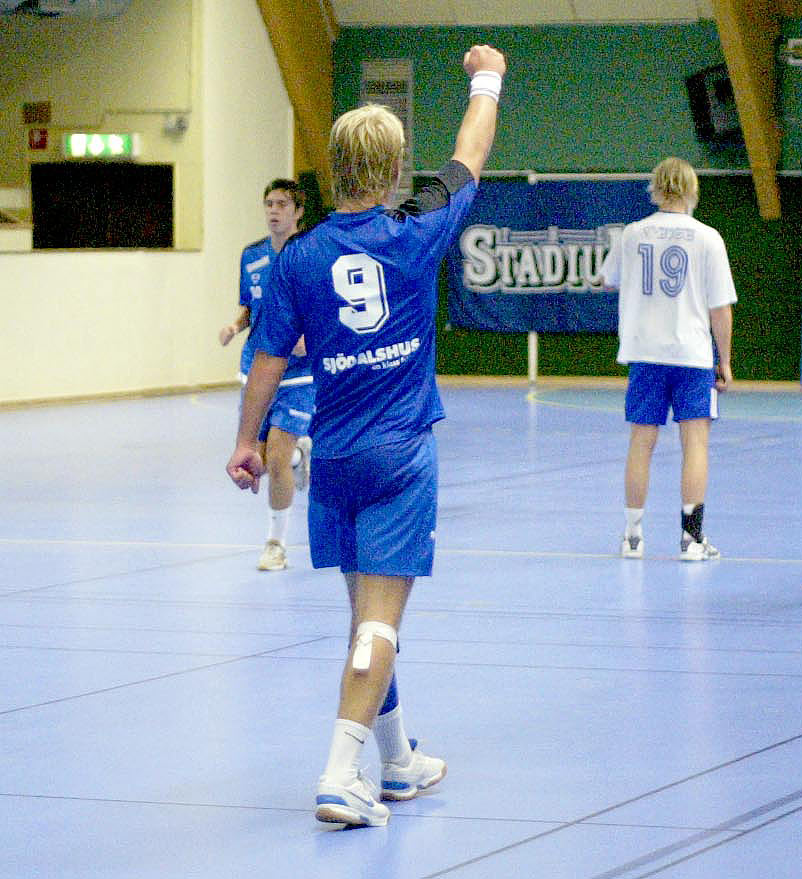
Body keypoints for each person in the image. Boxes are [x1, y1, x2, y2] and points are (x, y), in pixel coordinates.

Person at [226, 44, 506, 827]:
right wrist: (488, 77)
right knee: (379, 624)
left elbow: (268, 362)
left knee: (361, 619)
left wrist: (246, 443)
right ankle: (339, 772)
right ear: (388, 174)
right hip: (400, 455)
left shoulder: (298, 257)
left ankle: (398, 759)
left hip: (333, 455)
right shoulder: (415, 229)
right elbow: (471, 151)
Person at [600, 158, 735, 561]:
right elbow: (720, 308)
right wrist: (724, 360)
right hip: (692, 355)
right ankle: (692, 540)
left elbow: (606, 280)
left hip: (645, 353)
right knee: (695, 442)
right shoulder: (708, 238)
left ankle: (632, 537)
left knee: (642, 442)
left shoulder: (632, 234)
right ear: (692, 190)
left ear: (655, 190)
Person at [219, 179, 314, 571]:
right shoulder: (251, 256)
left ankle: (275, 544)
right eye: (269, 204)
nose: (274, 211)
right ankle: (296, 457)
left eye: (282, 204)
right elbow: (249, 306)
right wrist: (234, 327)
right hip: (256, 369)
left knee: (273, 458)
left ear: (298, 212)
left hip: (297, 375)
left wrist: (310, 339)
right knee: (256, 456)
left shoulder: (310, 255)